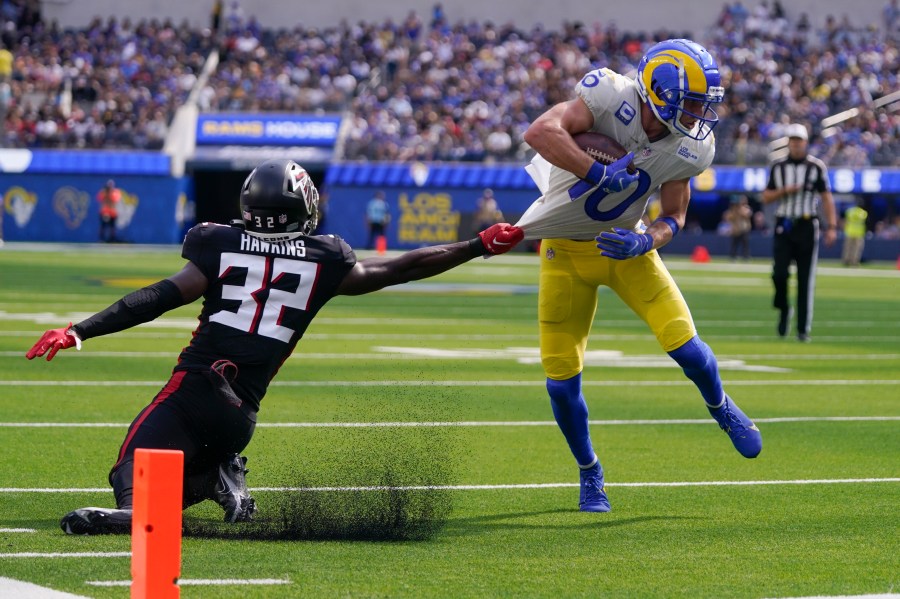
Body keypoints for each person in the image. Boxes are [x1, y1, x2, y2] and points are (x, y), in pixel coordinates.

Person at [26, 159, 524, 535]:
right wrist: (477, 244)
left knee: (129, 471)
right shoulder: (326, 258)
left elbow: (158, 298)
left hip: (195, 387)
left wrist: (80, 329)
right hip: (242, 414)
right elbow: (402, 268)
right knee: (182, 465)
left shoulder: (215, 243)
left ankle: (150, 509)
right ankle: (217, 477)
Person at [518, 39, 762, 513]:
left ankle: (721, 406)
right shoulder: (609, 96)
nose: (699, 115)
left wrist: (646, 240)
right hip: (564, 253)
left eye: (703, 105)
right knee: (561, 382)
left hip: (624, 247)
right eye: (693, 102)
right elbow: (540, 132)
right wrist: (595, 172)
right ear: (660, 89)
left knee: (688, 347)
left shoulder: (692, 147)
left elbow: (675, 215)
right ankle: (590, 473)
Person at [761, 123, 837, 341]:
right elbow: (765, 196)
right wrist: (784, 191)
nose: (795, 145)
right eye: (792, 141)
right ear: (788, 143)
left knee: (805, 279)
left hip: (806, 224)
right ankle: (784, 308)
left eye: (799, 141)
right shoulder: (778, 167)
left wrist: (831, 226)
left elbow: (826, 197)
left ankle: (803, 329)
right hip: (784, 224)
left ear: (805, 143)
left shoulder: (816, 167)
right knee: (780, 274)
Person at [724, 195, 753, 260]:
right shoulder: (733, 209)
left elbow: (747, 214)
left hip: (744, 229)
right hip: (736, 230)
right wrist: (734, 210)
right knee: (734, 244)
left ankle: (746, 256)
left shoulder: (746, 208)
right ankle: (732, 256)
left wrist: (739, 209)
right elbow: (728, 217)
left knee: (745, 244)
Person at [841, 198, 868, 267]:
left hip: (849, 231)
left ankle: (846, 260)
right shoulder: (863, 213)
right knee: (856, 249)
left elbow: (846, 220)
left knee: (848, 247)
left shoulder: (850, 211)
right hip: (859, 233)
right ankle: (854, 262)